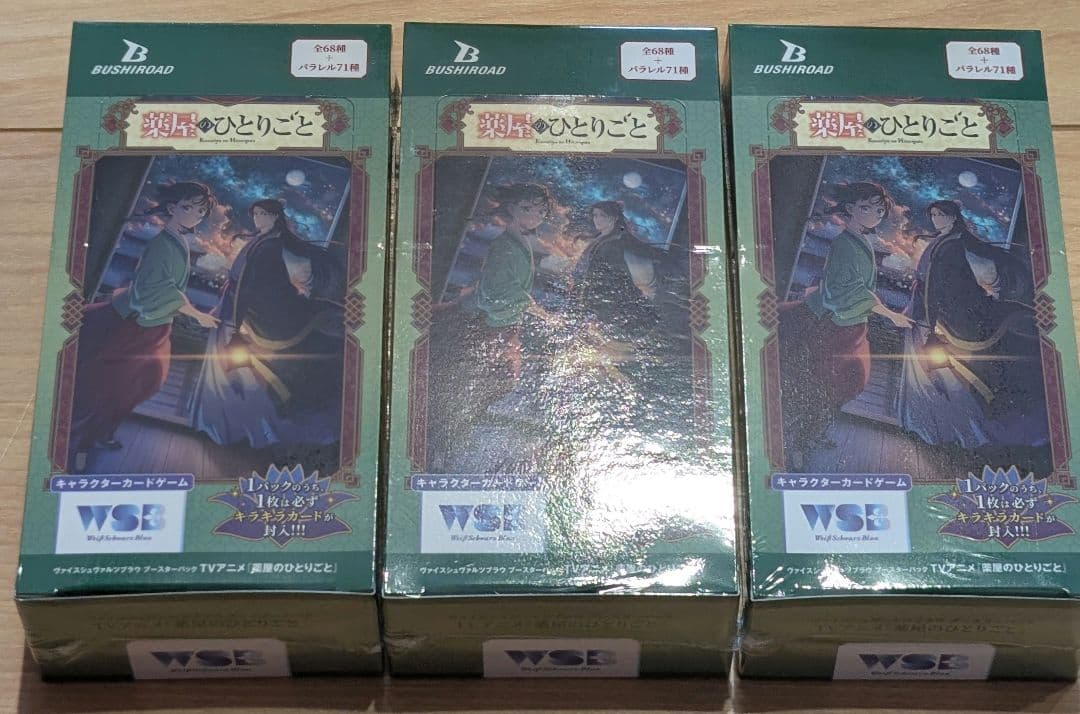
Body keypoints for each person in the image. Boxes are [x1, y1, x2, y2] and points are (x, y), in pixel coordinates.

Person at [69, 181, 220, 469]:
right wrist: (194, 313)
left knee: (144, 381)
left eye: (200, 212)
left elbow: (168, 288)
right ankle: (81, 444)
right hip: (137, 324)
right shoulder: (162, 244)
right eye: (188, 207)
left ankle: (100, 433)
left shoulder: (177, 241)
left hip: (155, 324)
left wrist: (189, 309)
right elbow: (153, 289)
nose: (195, 215)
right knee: (112, 384)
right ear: (173, 207)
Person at [778, 182, 912, 468]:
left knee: (845, 382)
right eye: (867, 208)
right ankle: (798, 442)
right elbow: (841, 291)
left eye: (879, 211)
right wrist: (888, 313)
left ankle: (809, 434)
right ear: (851, 208)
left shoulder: (860, 241)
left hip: (851, 325)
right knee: (828, 383)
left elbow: (853, 288)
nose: (875, 215)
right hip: (832, 324)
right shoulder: (843, 244)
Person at [193, 198, 344, 449]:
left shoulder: (270, 246)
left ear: (275, 217)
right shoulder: (261, 242)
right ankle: (221, 429)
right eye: (256, 214)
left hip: (253, 314)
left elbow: (266, 287)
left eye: (263, 214)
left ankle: (236, 433)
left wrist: (237, 317)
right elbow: (246, 284)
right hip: (241, 312)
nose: (258, 218)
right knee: (226, 378)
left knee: (238, 380)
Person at [898, 199, 1048, 448]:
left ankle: (944, 428)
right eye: (933, 215)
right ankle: (925, 425)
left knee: (941, 376)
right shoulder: (943, 242)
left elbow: (961, 282)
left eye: (941, 214)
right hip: (930, 311)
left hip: (947, 313)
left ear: (953, 217)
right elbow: (932, 283)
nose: (936, 219)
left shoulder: (955, 244)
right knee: (924, 372)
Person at [427, 183, 554, 470]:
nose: (535, 216)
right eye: (527, 208)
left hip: (498, 324)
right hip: (487, 325)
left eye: (540, 212)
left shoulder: (518, 242)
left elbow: (495, 289)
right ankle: (447, 440)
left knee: (495, 381)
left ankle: (451, 436)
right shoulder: (505, 245)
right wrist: (537, 310)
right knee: (486, 381)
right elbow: (495, 293)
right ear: (512, 208)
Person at [574, 200, 665, 332]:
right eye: (595, 215)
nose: (597, 219)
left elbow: (619, 276)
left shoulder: (614, 243)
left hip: (607, 299)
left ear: (614, 218)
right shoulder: (600, 239)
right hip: (593, 295)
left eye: (602, 215)